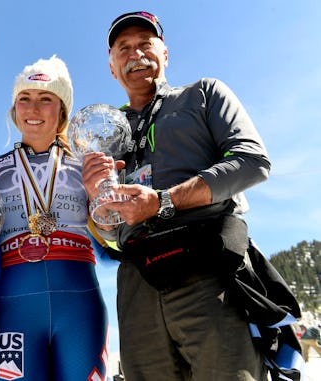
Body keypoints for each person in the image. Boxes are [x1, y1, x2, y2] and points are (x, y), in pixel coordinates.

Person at [82, 11, 272, 380]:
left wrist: (162, 201)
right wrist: (99, 203)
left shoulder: (204, 94)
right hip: (138, 282)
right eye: (123, 48)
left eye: (144, 44)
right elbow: (109, 240)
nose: (135, 54)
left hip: (209, 269)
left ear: (165, 54)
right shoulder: (103, 132)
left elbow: (252, 161)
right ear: (111, 67)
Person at [0, 56, 109, 381]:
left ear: (62, 111)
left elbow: (113, 244)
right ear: (14, 110)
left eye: (45, 99)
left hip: (80, 307)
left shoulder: (89, 166)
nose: (33, 109)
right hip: (16, 308)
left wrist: (105, 198)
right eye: (24, 99)